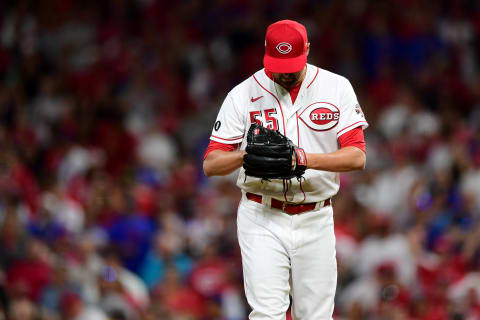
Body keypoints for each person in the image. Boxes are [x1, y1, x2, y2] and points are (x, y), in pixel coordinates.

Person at [203, 19, 368, 319]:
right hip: (261, 215)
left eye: (293, 64)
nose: (286, 73)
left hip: (316, 216)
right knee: (267, 314)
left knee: (315, 315)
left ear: (307, 50)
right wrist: (245, 155)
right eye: (279, 65)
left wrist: (301, 158)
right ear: (265, 55)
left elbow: (357, 156)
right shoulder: (242, 94)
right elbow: (211, 164)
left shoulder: (336, 87)